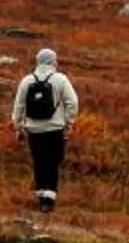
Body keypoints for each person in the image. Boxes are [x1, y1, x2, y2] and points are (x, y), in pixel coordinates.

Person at [9, 46, 80, 211]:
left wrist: (18, 127)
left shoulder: (26, 80)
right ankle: (49, 198)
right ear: (53, 61)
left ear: (38, 61)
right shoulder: (60, 79)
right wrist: (68, 123)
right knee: (53, 162)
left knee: (39, 161)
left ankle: (41, 195)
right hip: (55, 129)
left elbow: (18, 106)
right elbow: (73, 102)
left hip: (33, 129)